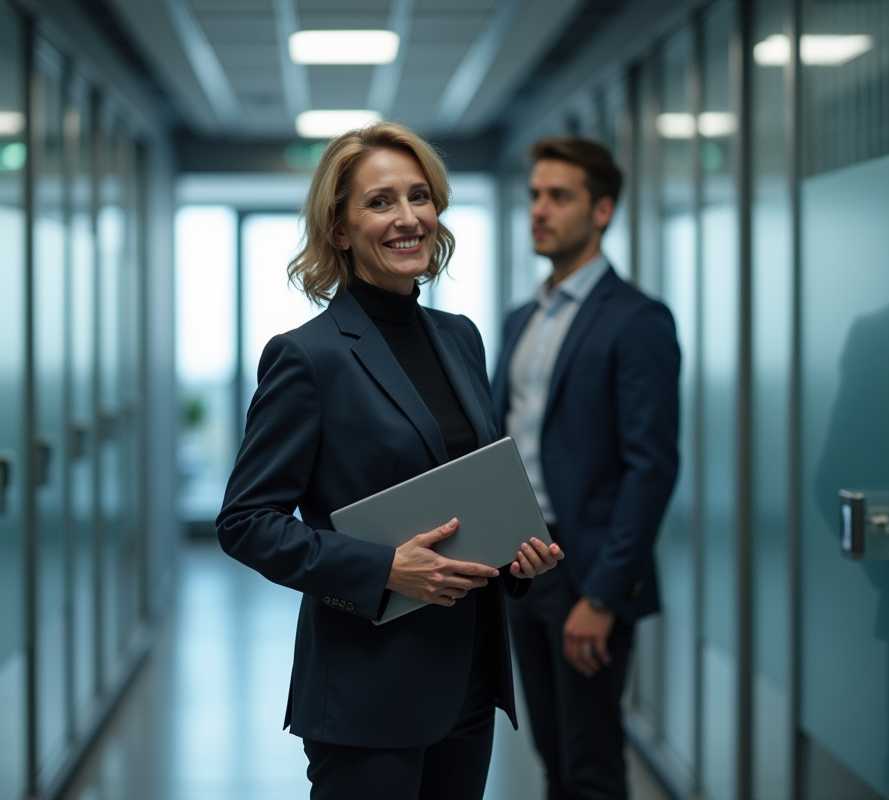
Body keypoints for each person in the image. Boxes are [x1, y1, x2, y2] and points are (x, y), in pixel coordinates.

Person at [216, 122, 564, 800]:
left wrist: (518, 558)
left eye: (420, 196)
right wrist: (383, 570)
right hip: (368, 688)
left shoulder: (460, 339)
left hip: (468, 678)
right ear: (340, 229)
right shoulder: (307, 357)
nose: (408, 218)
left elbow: (472, 488)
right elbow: (246, 521)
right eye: (380, 202)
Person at [491, 136, 680, 800]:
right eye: (535, 195)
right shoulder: (520, 320)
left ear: (602, 211)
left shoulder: (638, 321)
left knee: (592, 764)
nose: (539, 210)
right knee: (552, 756)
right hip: (521, 563)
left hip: (587, 574)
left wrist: (601, 597)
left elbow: (650, 468)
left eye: (559, 197)